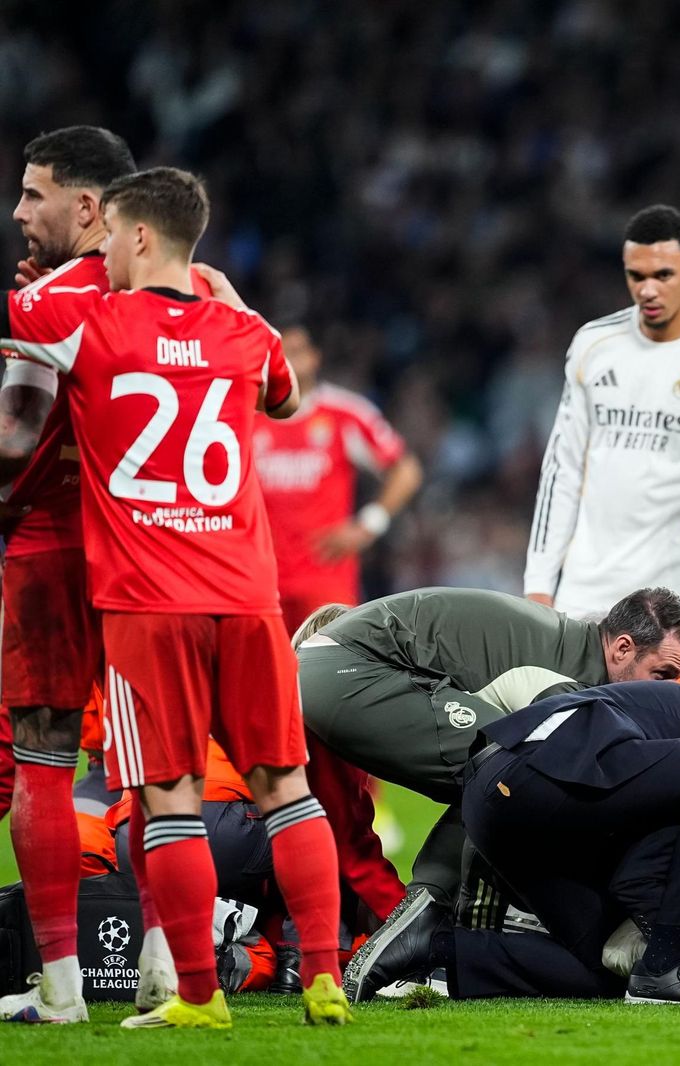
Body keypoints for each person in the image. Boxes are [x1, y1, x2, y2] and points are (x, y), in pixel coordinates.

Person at [0, 166, 351, 1027]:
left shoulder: (92, 323)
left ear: (136, 235)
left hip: (150, 599)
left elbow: (23, 347)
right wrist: (229, 297)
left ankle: (194, 994)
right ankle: (325, 980)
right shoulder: (243, 330)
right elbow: (286, 398)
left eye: (111, 242)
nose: (104, 258)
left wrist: (50, 282)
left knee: (167, 796)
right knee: (288, 787)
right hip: (249, 596)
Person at [342, 681, 680, 1004]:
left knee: (607, 966)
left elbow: (639, 863)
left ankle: (432, 944)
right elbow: (641, 876)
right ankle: (668, 968)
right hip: (534, 777)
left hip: (499, 798)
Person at [296, 585, 680, 908]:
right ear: (623, 648)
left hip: (336, 666)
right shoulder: (563, 677)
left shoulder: (570, 649)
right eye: (662, 674)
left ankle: (426, 918)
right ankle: (427, 924)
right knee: (517, 778)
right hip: (349, 670)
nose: (667, 691)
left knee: (505, 777)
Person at [0, 126, 136, 1026]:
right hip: (152, 554)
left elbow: (14, 445)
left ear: (86, 206)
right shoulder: (170, 290)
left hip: (52, 549)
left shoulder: (42, 304)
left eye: (32, 193)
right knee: (157, 767)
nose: (18, 211)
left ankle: (60, 988)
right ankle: (171, 976)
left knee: (42, 761)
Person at [525, 205, 680, 619]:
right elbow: (562, 470)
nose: (648, 290)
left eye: (663, 275)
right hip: (584, 597)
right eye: (636, 276)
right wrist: (538, 586)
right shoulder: (593, 344)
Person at [256, 323, 421, 634]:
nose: (288, 361)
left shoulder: (344, 413)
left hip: (325, 579)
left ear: (314, 357)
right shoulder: (247, 417)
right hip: (262, 582)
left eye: (296, 352)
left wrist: (368, 525)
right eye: (279, 353)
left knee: (328, 661)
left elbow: (406, 470)